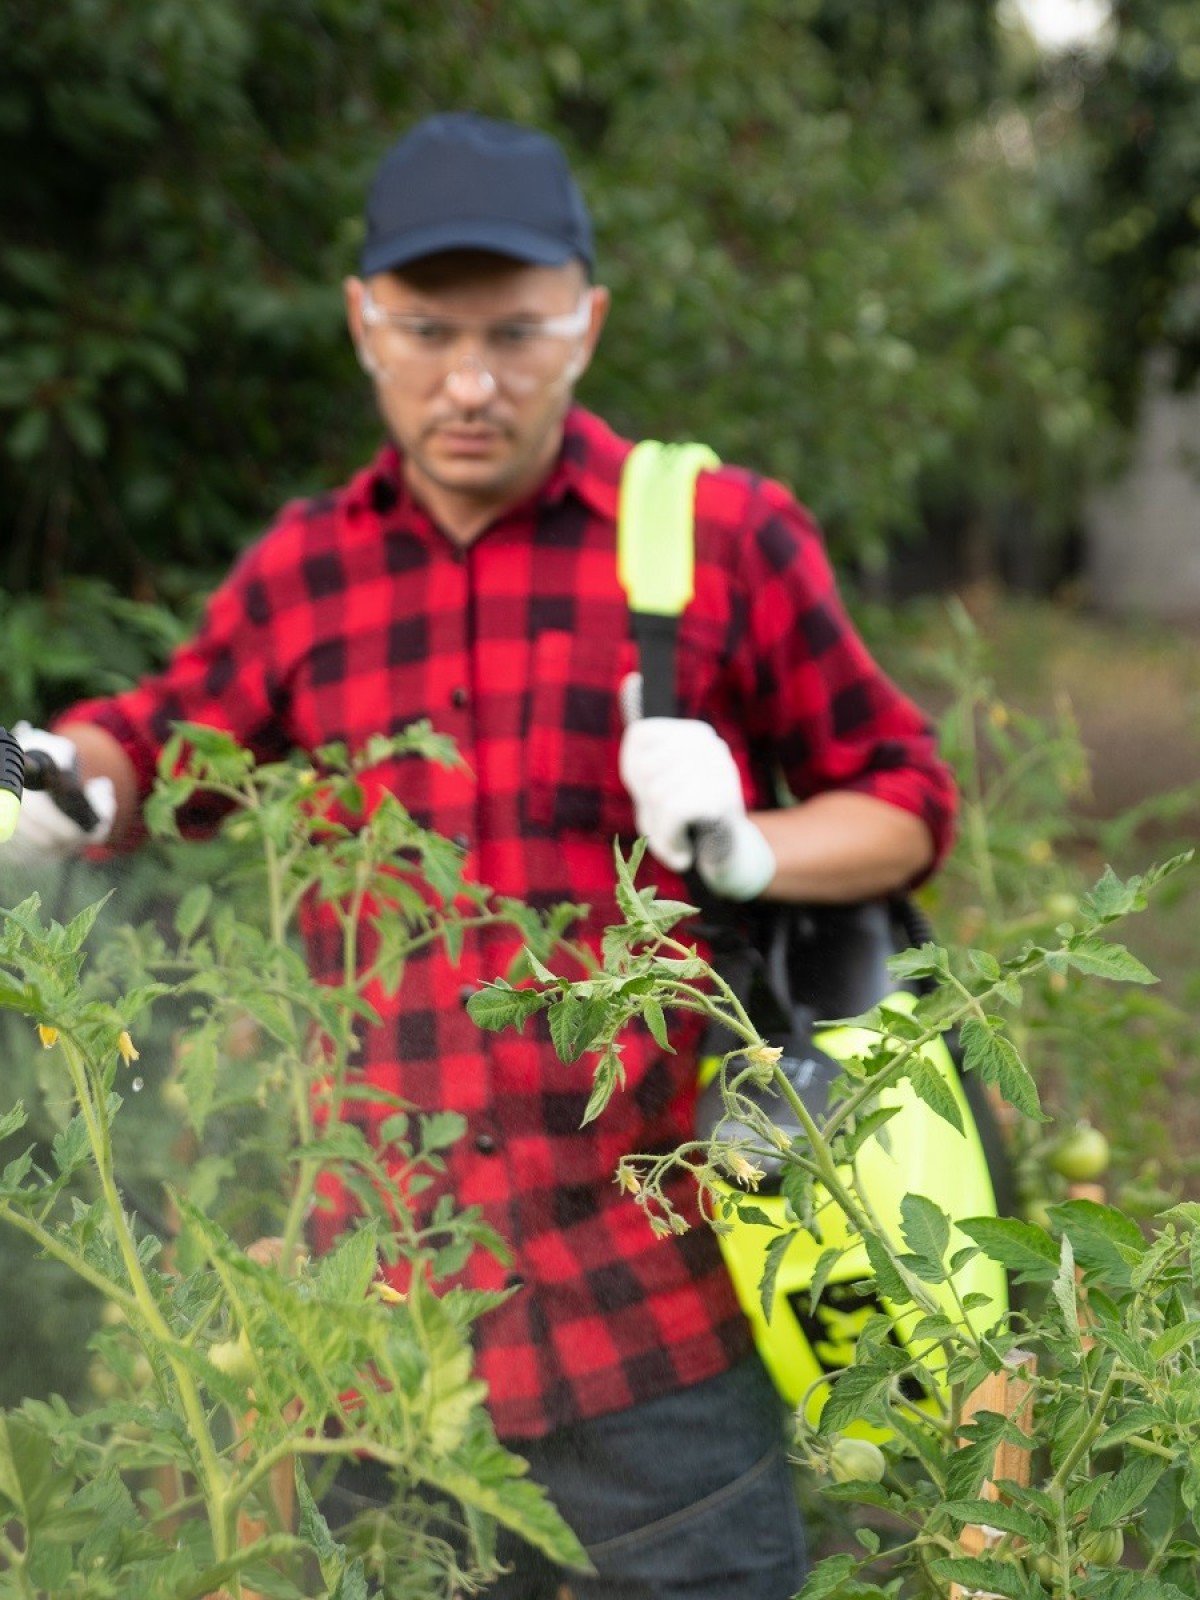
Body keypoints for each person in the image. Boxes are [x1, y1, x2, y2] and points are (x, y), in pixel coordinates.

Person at [3, 112, 956, 1598]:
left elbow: (904, 798)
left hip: (663, 1335)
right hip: (380, 1356)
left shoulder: (715, 535)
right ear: (361, 323)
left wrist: (750, 849)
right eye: (427, 329)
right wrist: (53, 775)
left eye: (516, 332)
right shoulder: (306, 574)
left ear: (588, 321)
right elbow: (156, 750)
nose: (469, 379)